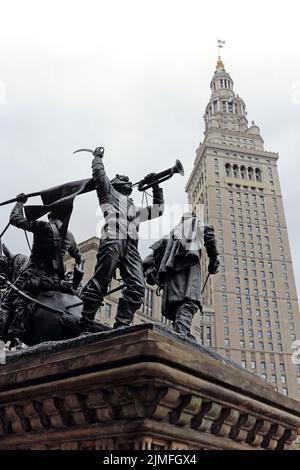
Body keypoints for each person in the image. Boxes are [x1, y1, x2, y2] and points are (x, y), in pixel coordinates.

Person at [80, 148, 164, 331]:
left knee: (137, 286)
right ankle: (84, 324)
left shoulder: (135, 208)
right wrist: (97, 158)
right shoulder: (108, 193)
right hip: (113, 237)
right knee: (102, 279)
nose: (128, 181)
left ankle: (121, 326)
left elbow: (159, 209)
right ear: (116, 184)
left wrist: (156, 185)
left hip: (132, 247)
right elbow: (99, 175)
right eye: (124, 180)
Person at [0, 193, 81, 343]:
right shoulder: (70, 235)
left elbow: (15, 219)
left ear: (49, 215)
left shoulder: (42, 226)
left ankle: (7, 332)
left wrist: (20, 202)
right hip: (57, 282)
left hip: (32, 277)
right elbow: (78, 257)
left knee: (6, 302)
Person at [142, 212, 219, 338]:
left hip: (169, 281)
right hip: (187, 273)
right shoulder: (194, 224)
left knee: (177, 308)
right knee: (189, 303)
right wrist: (214, 258)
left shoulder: (168, 237)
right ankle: (181, 335)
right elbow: (208, 231)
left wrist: (147, 273)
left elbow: (147, 261)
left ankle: (181, 330)